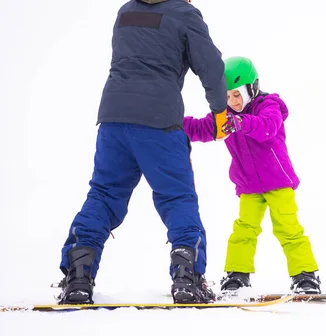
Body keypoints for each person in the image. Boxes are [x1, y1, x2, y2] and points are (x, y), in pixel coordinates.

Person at [57, 0, 230, 305]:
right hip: (159, 121)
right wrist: (219, 112)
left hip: (113, 118)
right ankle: (187, 278)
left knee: (104, 195)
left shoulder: (126, 12)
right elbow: (212, 66)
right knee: (177, 197)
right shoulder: (184, 14)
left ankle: (78, 278)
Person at [182, 56, 322, 294]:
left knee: (288, 229)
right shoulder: (224, 117)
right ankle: (237, 275)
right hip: (248, 185)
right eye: (227, 96)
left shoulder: (269, 105)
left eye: (237, 94)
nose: (232, 101)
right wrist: (173, 123)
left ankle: (305, 276)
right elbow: (201, 129)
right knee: (244, 230)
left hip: (278, 183)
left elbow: (268, 126)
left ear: (252, 88)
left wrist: (240, 123)